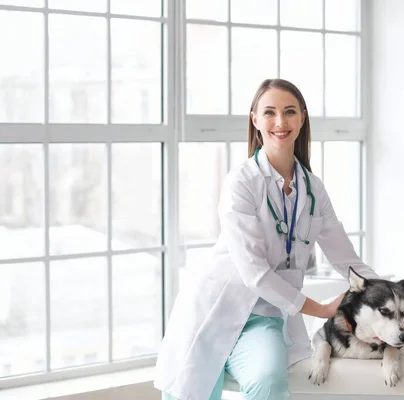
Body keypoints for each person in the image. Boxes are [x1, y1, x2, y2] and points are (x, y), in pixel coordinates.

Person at [154, 78, 379, 400]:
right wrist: (321, 310)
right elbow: (255, 272)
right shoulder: (241, 182)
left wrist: (390, 297)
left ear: (302, 118)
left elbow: (347, 260)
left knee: (269, 381)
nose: (280, 122)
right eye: (269, 112)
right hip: (212, 309)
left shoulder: (313, 190)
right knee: (193, 390)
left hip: (263, 318)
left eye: (289, 112)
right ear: (255, 120)